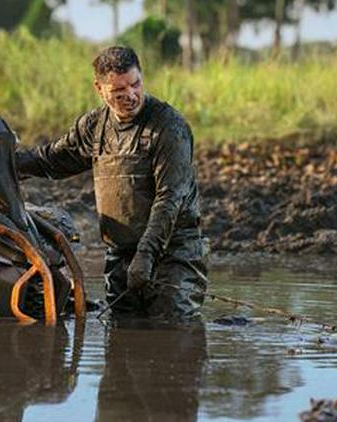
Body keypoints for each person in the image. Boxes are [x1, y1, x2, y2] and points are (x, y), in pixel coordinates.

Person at [16, 46, 207, 319]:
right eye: (118, 91)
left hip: (174, 254)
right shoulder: (94, 126)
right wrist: (5, 162)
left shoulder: (169, 127)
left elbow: (170, 198)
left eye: (135, 84)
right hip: (120, 255)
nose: (130, 95)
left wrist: (147, 254)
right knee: (120, 337)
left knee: (171, 332)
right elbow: (51, 160)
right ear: (99, 89)